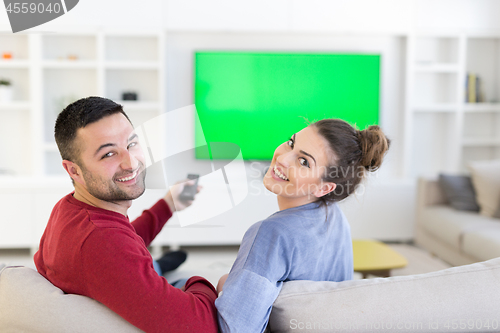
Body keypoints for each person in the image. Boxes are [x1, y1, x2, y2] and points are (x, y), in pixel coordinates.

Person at [34, 96, 218, 333]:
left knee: (152, 266)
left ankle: (157, 265)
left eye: (131, 144)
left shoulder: (70, 208)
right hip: (123, 283)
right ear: (74, 170)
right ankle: (158, 268)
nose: (131, 163)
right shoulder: (102, 243)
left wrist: (169, 204)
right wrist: (202, 282)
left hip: (115, 279)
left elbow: (125, 241)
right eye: (108, 154)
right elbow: (201, 325)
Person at [215, 118, 391, 333]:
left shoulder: (271, 233)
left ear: (324, 188)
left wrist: (224, 285)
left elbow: (235, 327)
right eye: (291, 143)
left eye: (304, 161)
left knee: (187, 283)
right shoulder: (336, 217)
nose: (283, 158)